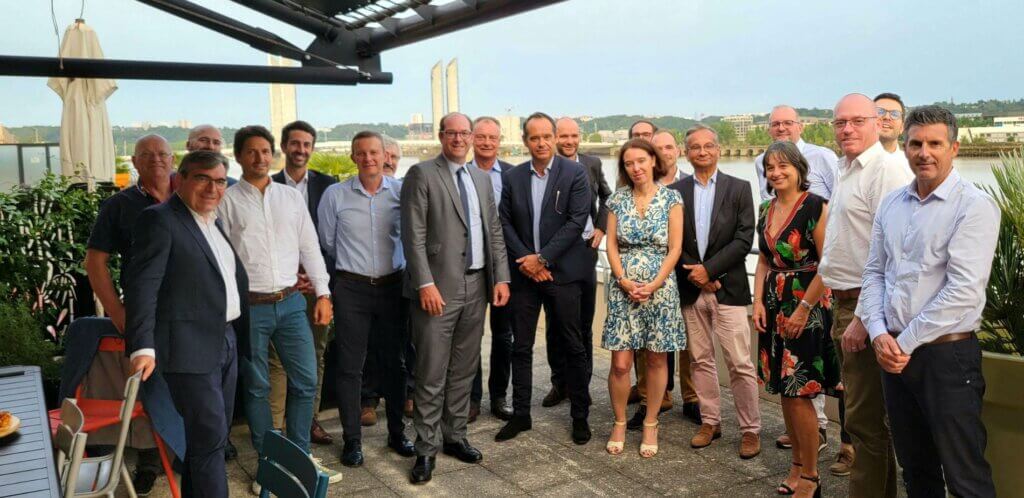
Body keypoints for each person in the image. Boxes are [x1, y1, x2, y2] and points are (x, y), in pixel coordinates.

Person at [860, 105, 999, 498]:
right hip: (893, 355)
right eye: (916, 143)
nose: (924, 153)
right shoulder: (891, 204)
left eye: (935, 144)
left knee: (965, 477)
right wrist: (878, 333)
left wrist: (901, 344)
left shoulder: (973, 206)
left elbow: (963, 291)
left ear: (954, 148)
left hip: (946, 358)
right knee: (916, 471)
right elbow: (874, 273)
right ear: (904, 146)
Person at [216, 125, 339, 492]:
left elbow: (310, 247)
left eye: (265, 151)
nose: (260, 158)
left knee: (305, 380)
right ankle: (267, 462)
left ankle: (298, 456)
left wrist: (323, 293)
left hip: (290, 304)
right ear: (239, 156)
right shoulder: (226, 200)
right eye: (251, 151)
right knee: (257, 387)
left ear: (273, 154)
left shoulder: (290, 197)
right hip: (249, 309)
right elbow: (220, 258)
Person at [126, 150, 247, 497]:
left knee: (207, 440)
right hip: (188, 348)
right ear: (180, 180)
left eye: (220, 181)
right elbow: (142, 286)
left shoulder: (212, 221)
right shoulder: (160, 220)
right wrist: (142, 346)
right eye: (202, 178)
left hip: (225, 340)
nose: (213, 188)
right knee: (210, 438)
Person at [400, 112, 511, 484]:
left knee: (464, 369)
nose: (460, 139)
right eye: (453, 133)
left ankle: (455, 435)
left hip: (477, 287)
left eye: (465, 133)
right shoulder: (421, 174)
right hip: (438, 289)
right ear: (441, 136)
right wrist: (424, 283)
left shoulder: (481, 178)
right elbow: (413, 235)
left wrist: (501, 277)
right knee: (431, 372)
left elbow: (493, 231)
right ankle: (425, 448)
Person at [818, 93, 913, 498]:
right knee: (864, 419)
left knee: (865, 421)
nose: (847, 129)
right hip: (842, 301)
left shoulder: (885, 171)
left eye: (858, 121)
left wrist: (863, 317)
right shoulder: (847, 168)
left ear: (877, 123)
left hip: (864, 306)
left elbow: (895, 256)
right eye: (841, 122)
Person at [317, 131, 414, 468]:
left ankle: (397, 433)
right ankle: (352, 440)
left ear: (385, 155)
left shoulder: (400, 193)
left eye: (375, 152)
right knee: (350, 366)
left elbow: (412, 236)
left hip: (392, 288)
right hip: (352, 288)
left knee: (395, 363)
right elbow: (328, 242)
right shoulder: (335, 195)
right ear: (353, 157)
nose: (369, 158)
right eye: (362, 153)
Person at [84, 134, 173, 494]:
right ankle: (150, 461)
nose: (156, 159)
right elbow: (95, 262)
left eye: (163, 153)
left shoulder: (189, 194)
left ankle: (183, 451)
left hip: (189, 313)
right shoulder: (119, 205)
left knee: (188, 387)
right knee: (148, 388)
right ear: (134, 163)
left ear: (173, 159)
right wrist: (117, 311)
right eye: (146, 155)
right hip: (146, 313)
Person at [497, 112, 593, 445]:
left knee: (573, 345)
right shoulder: (513, 177)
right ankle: (521, 414)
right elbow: (504, 222)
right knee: (521, 346)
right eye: (534, 138)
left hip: (562, 274)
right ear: (525, 141)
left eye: (546, 137)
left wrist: (543, 258)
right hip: (525, 276)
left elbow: (577, 220)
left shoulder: (574, 173)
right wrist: (528, 261)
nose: (541, 143)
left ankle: (580, 416)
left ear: (554, 138)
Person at [752, 141, 841, 498]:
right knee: (785, 392)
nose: (776, 173)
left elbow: (827, 263)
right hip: (775, 303)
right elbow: (763, 260)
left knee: (800, 391)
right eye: (770, 167)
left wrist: (803, 309)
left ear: (799, 168)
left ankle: (812, 476)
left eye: (783, 166)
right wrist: (758, 302)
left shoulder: (816, 206)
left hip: (808, 303)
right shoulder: (765, 208)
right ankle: (796, 466)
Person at [669, 124, 762, 459]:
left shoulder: (739, 188)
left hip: (729, 288)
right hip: (691, 289)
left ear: (719, 150)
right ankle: (710, 421)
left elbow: (744, 238)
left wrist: (709, 270)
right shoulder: (675, 191)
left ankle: (750, 429)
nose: (702, 151)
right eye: (695, 147)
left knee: (740, 362)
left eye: (708, 145)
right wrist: (697, 274)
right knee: (700, 360)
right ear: (686, 152)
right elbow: (672, 240)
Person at [602, 139, 685, 458]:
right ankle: (620, 422)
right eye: (628, 163)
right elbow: (611, 245)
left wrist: (653, 284)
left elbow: (675, 248)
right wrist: (623, 280)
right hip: (622, 290)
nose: (635, 168)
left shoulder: (671, 198)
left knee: (656, 358)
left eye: (640, 160)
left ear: (653, 160)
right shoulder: (616, 199)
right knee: (620, 363)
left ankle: (651, 422)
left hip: (660, 290)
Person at [267, 120, 338, 447]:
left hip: (316, 285)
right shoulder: (267, 185)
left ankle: (309, 421)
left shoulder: (329, 185)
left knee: (315, 352)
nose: (301, 150)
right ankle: (279, 426)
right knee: (278, 359)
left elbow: (334, 239)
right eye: (295, 143)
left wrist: (320, 280)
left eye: (307, 144)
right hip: (280, 285)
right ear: (284, 147)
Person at [541, 117, 611, 410]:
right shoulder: (546, 167)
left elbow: (607, 196)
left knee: (583, 323)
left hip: (585, 251)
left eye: (574, 136)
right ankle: (560, 383)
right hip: (555, 255)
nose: (569, 141)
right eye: (563, 136)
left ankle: (581, 384)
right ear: (554, 138)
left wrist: (601, 226)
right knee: (555, 324)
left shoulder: (592, 163)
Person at [468, 116, 517, 422]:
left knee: (503, 336)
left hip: (504, 267)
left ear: (500, 141)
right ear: (472, 139)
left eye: (492, 137)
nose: (487, 142)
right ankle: (471, 398)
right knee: (470, 336)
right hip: (470, 267)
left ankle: (499, 396)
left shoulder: (513, 175)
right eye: (481, 136)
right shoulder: (460, 173)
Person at [754, 106, 838, 202]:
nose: (781, 128)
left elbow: (842, 199)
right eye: (775, 124)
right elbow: (766, 202)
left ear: (800, 127)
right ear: (769, 130)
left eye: (788, 123)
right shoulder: (761, 161)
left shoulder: (823, 156)